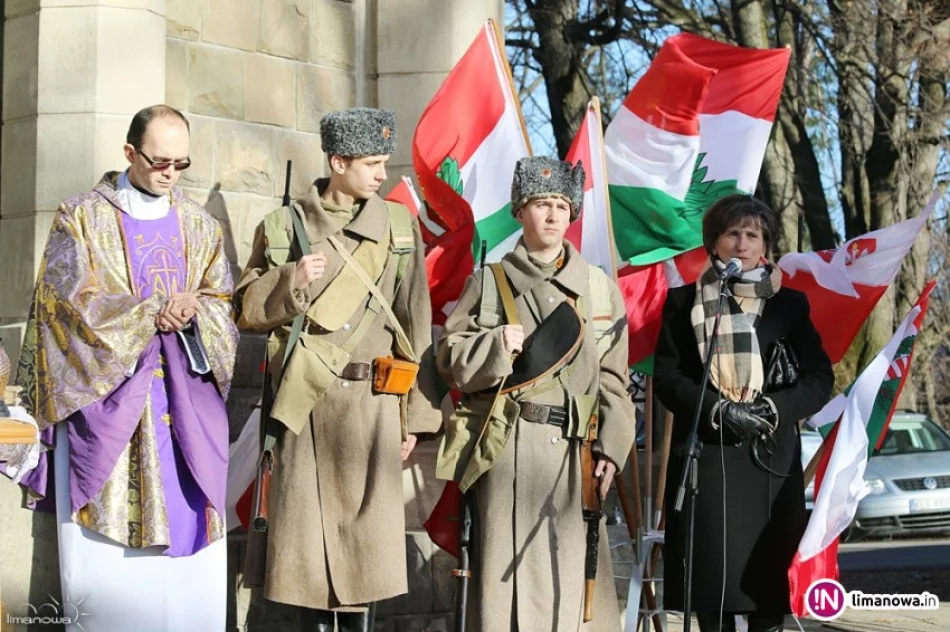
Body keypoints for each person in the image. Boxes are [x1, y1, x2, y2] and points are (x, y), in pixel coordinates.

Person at [15, 104, 239, 631]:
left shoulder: (200, 226)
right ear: (129, 153)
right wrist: (146, 315)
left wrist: (195, 311)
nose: (171, 174)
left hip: (181, 407)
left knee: (185, 576)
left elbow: (221, 301)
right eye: (161, 162)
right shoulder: (82, 216)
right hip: (112, 408)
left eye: (182, 164)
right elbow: (64, 300)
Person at [234, 107, 441, 632]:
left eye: (384, 163)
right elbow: (243, 310)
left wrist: (412, 417)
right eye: (371, 163)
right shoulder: (284, 226)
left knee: (363, 558)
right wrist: (291, 280)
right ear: (337, 161)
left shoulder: (397, 227)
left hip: (372, 410)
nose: (382, 174)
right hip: (305, 405)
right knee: (305, 561)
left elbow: (417, 324)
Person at [436, 156, 637, 631]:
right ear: (519, 211)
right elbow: (449, 359)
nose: (552, 215)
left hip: (576, 456)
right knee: (506, 591)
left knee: (571, 589)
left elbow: (614, 379)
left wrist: (613, 446)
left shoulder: (598, 289)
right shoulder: (488, 284)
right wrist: (493, 347)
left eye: (562, 206)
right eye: (541, 204)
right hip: (507, 451)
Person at [654, 194, 834, 632]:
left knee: (765, 588)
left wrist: (772, 408)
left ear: (765, 246)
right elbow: (668, 377)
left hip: (769, 460)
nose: (742, 242)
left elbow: (818, 380)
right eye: (732, 233)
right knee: (713, 590)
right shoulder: (683, 303)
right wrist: (719, 410)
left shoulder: (790, 306)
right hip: (708, 459)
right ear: (714, 242)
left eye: (752, 234)